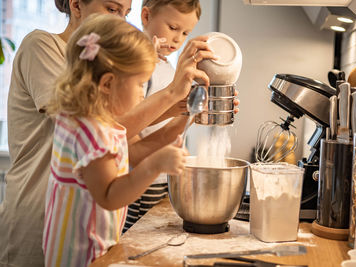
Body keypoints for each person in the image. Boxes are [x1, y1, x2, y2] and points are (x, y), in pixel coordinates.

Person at [0, 0, 214, 266]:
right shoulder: (42, 48)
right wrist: (170, 94)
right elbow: (108, 136)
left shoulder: (96, 102)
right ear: (76, 5)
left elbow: (125, 144)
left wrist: (184, 114)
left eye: (126, 13)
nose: (121, 22)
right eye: (112, 10)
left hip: (83, 232)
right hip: (39, 224)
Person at [42, 13, 187, 266]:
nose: (144, 93)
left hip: (69, 249)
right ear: (108, 83)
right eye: (141, 84)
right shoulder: (95, 133)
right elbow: (109, 196)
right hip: (83, 255)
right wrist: (155, 166)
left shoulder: (80, 118)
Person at [123, 0, 240, 230]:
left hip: (160, 179)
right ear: (145, 16)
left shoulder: (168, 68)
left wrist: (193, 112)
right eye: (173, 28)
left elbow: (167, 124)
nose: (178, 39)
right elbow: (128, 143)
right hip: (138, 182)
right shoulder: (136, 70)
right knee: (134, 240)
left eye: (186, 32)